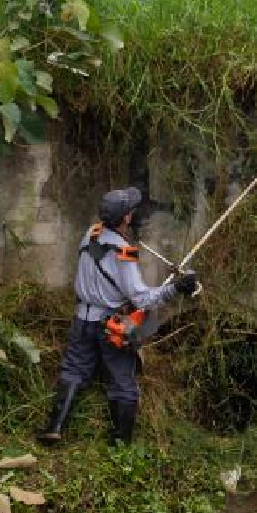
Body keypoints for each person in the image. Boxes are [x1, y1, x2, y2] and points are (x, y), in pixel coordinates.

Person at [37, 187, 199, 447]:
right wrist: (176, 288)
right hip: (108, 327)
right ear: (124, 218)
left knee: (74, 371)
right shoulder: (124, 252)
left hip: (82, 320)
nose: (134, 214)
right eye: (131, 211)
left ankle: (54, 427)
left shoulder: (91, 233)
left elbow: (109, 249)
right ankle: (121, 443)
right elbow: (141, 299)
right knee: (123, 381)